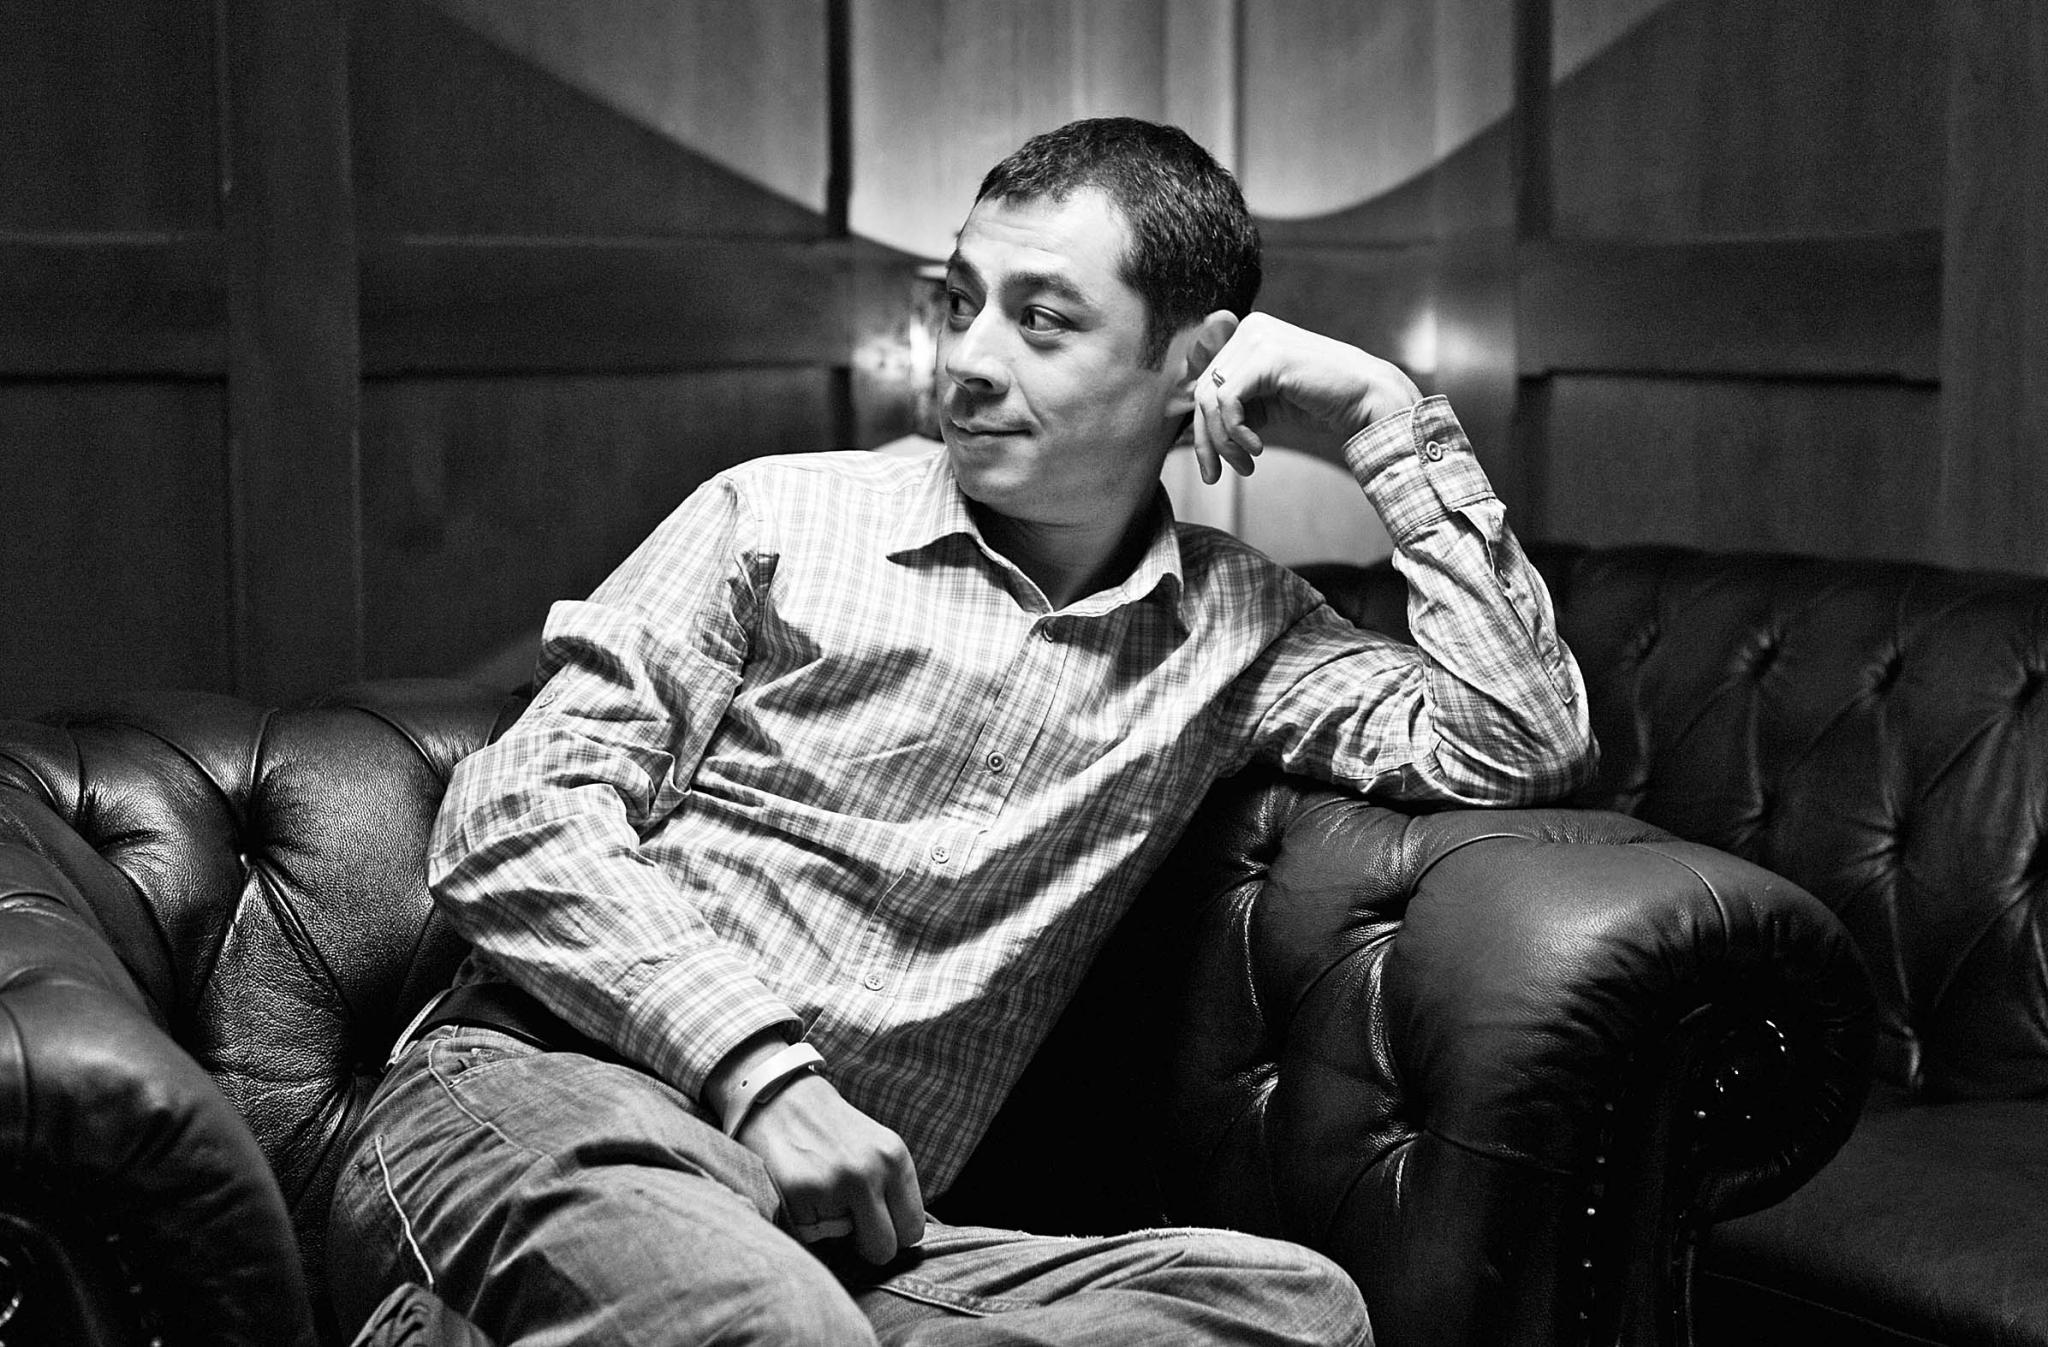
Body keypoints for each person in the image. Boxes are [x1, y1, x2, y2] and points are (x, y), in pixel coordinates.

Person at [328, 116, 1594, 1347]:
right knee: (766, 1320)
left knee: (1289, 1312)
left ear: (1192, 362)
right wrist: (758, 1075)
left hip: (856, 1246)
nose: (968, 360)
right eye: (959, 302)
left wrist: (1379, 410)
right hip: (551, 1101)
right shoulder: (774, 517)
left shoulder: (1237, 629)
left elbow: (1516, 738)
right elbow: (515, 818)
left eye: (1041, 319)